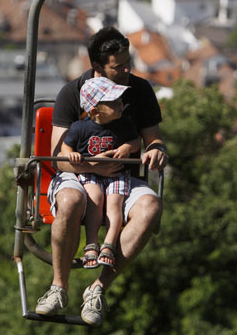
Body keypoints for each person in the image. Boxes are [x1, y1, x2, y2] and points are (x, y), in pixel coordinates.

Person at [35, 27, 168, 326]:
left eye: (127, 62)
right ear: (97, 67)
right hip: (79, 176)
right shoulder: (73, 93)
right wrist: (93, 167)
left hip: (122, 178)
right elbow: (59, 157)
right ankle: (59, 287)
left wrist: (157, 151)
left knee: (151, 208)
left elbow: (152, 139)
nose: (126, 70)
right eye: (117, 66)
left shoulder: (140, 90)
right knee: (69, 201)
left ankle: (98, 288)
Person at [59, 77, 141, 270]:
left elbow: (136, 141)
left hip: (116, 173)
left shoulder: (124, 123)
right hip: (91, 174)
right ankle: (91, 244)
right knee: (94, 198)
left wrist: (128, 147)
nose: (121, 104)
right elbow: (65, 145)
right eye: (114, 103)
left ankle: (109, 245)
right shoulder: (80, 127)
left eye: (120, 100)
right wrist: (72, 155)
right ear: (95, 111)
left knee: (115, 203)